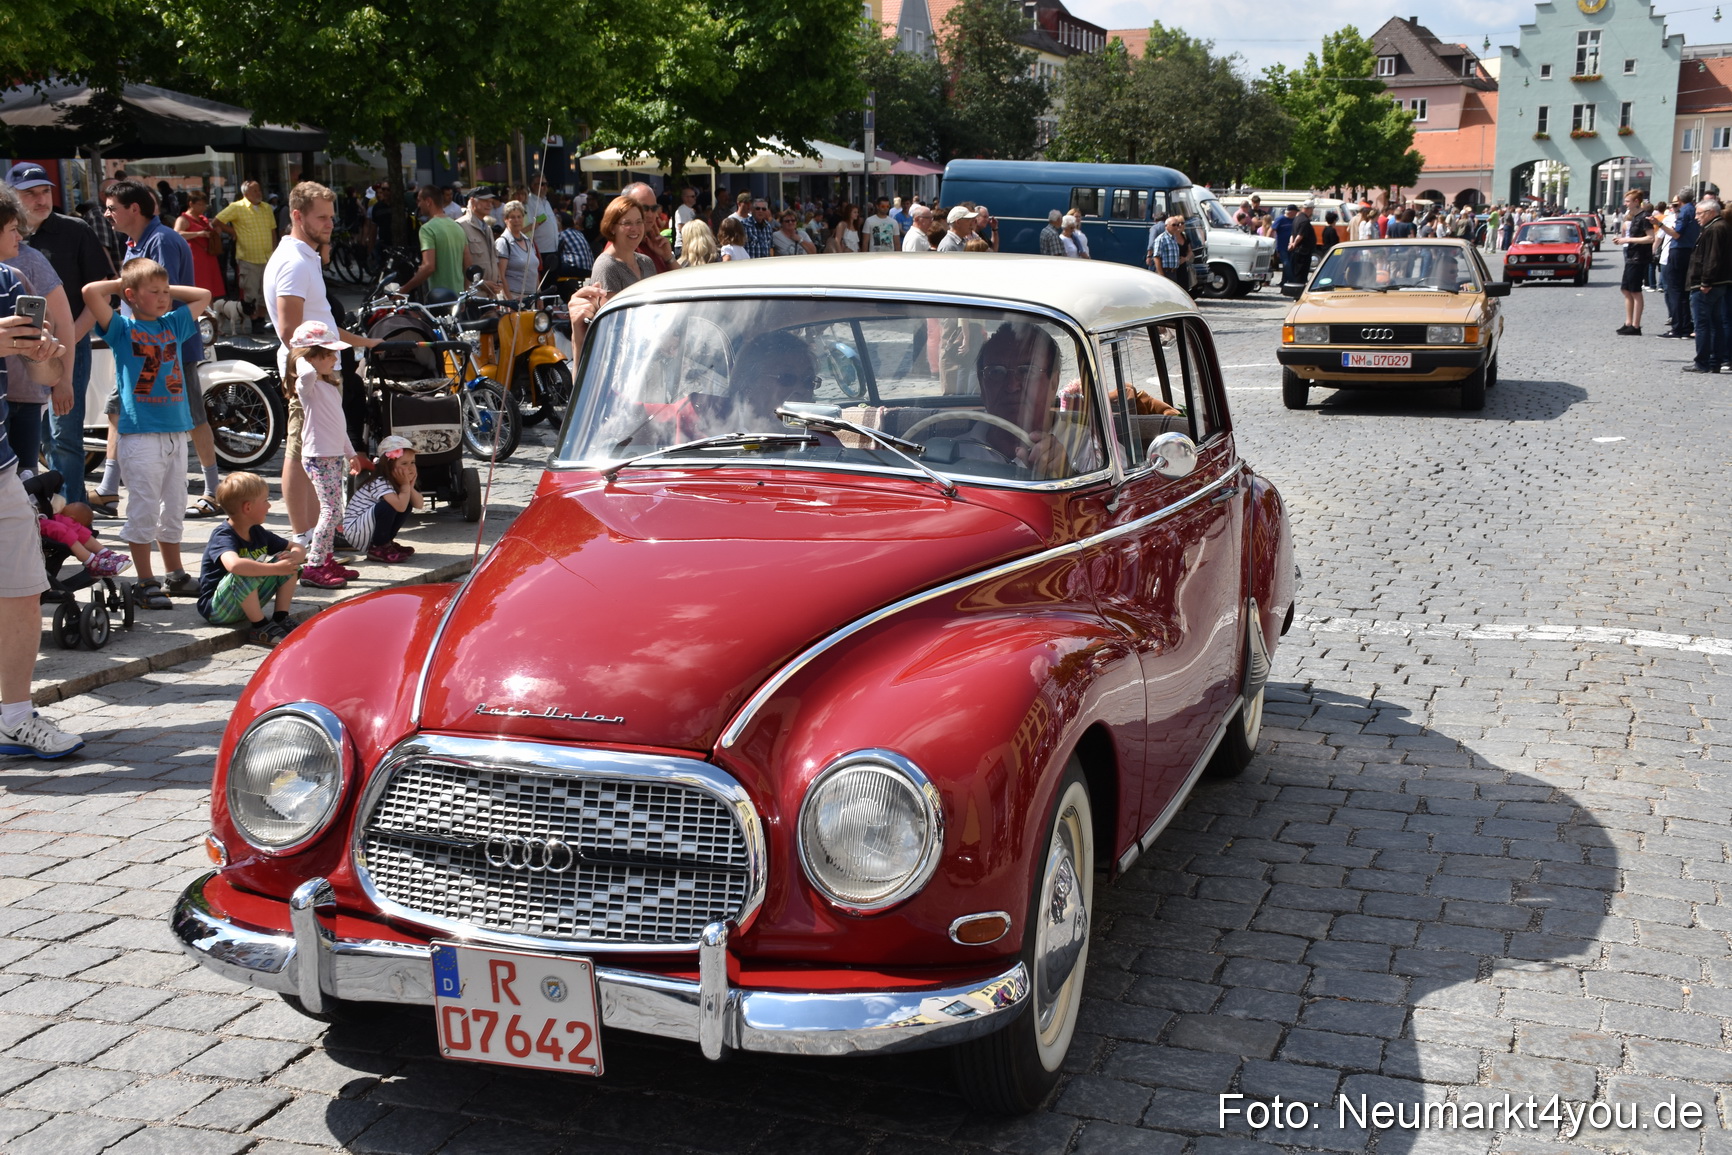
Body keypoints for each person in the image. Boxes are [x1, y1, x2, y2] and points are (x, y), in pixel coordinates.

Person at [80, 259, 212, 610]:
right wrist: (126, 284)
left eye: (166, 291)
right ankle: (144, 580)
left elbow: (203, 295)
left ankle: (175, 573)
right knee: (144, 508)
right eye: (154, 292)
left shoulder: (173, 324)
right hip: (140, 436)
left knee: (175, 507)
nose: (164, 297)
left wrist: (158, 287)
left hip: (175, 434)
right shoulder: (122, 329)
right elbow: (90, 292)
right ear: (131, 295)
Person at [93, 180, 220, 527]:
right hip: (138, 348)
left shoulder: (161, 239)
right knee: (116, 409)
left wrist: (150, 329)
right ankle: (108, 488)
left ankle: (213, 490)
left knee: (193, 415)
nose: (106, 214)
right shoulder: (136, 242)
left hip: (166, 348)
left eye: (112, 208)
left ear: (134, 209)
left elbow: (163, 293)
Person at [264, 181, 382, 542]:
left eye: (331, 217)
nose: (330, 224)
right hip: (309, 375)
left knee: (318, 454)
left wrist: (365, 342)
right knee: (301, 452)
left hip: (320, 371)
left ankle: (320, 533)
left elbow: (320, 322)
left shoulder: (304, 257)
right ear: (297, 216)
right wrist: (317, 374)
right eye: (322, 217)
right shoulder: (294, 262)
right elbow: (290, 331)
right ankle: (303, 535)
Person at [0, 257, 80, 758]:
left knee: (23, 592)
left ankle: (14, 718)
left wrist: (46, 355)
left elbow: (42, 374)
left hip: (2, 467)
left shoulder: (7, 281)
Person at [9, 164, 112, 508]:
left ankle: (72, 514)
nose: (41, 200)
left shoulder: (74, 230)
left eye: (46, 191)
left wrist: (67, 343)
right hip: (17, 357)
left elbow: (99, 292)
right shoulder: (11, 240)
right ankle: (46, 514)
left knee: (64, 435)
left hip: (67, 348)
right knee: (35, 439)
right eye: (31, 194)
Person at [962, 322, 1096, 480]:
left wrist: (1068, 476)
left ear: (1054, 383)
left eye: (1027, 371)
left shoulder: (1090, 450)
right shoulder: (954, 453)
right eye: (996, 372)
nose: (1012, 386)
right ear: (982, 384)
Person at [287, 320, 366, 589]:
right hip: (317, 457)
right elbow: (306, 371)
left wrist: (350, 453)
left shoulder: (330, 387)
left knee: (335, 512)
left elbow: (338, 426)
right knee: (330, 511)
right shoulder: (307, 385)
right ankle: (314, 566)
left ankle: (327, 560)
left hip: (332, 456)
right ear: (311, 357)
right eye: (328, 354)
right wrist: (300, 353)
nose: (335, 359)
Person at [0, 205, 73, 478]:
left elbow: (48, 373)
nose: (20, 237)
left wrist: (43, 355)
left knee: (27, 484)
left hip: (20, 406)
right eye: (12, 229)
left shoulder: (10, 279)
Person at [195, 471, 303, 648]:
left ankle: (281, 618)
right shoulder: (223, 535)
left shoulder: (257, 531)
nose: (269, 505)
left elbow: (297, 547)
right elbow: (234, 565)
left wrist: (295, 556)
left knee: (288, 563)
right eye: (265, 500)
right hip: (217, 609)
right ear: (248, 507)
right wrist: (276, 569)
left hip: (242, 603)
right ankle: (260, 627)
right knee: (244, 569)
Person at [342, 435, 423, 562]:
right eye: (404, 463)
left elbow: (419, 504)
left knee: (407, 502)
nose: (411, 467)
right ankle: (378, 547)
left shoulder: (398, 482)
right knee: (388, 506)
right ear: (389, 466)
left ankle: (387, 543)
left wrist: (410, 487)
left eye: (412, 462)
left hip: (368, 528)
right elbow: (399, 507)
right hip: (356, 530)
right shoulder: (380, 481)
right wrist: (405, 486)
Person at [213, 181, 278, 331]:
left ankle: (261, 319)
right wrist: (232, 232)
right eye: (254, 190)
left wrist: (274, 250)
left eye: (259, 190)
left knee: (266, 291)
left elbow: (272, 230)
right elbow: (217, 221)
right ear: (246, 193)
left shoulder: (266, 208)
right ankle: (254, 322)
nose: (258, 193)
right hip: (249, 258)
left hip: (267, 257)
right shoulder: (237, 207)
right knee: (251, 292)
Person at [1684, 197, 1730, 373]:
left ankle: (1703, 362)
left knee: (1703, 324)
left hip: (1708, 284)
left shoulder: (1715, 228)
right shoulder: (1719, 226)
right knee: (1715, 323)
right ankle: (1714, 361)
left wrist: (1706, 281)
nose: (1696, 217)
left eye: (1699, 213)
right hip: (1717, 283)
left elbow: (1712, 257)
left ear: (1710, 212)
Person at [402, 185, 467, 301]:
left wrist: (403, 290)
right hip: (458, 298)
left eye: (419, 200)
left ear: (428, 201)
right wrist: (464, 297)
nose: (418, 205)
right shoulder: (458, 227)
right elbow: (468, 265)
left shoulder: (427, 229)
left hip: (439, 299)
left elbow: (428, 267)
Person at [39, 496, 129, 577]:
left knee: (68, 523)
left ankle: (106, 553)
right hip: (33, 523)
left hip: (41, 514)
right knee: (58, 528)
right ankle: (92, 563)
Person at [588, 195, 658, 291]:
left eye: (639, 222)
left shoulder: (646, 262)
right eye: (627, 223)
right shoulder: (607, 266)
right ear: (612, 228)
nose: (634, 228)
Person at [1655, 189, 1699, 340]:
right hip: (1689, 250)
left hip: (1679, 250)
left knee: (1675, 290)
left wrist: (1659, 224)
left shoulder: (1684, 211)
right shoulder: (1693, 209)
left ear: (1680, 199)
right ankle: (1685, 326)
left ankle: (1678, 327)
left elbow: (1676, 234)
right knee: (1683, 291)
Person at [1613, 188, 1654, 335]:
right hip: (1631, 256)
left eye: (1628, 201)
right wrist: (1622, 240)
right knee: (1625, 289)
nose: (1625, 204)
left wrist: (1627, 239)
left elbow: (1650, 238)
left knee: (1635, 291)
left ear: (1636, 202)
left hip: (1639, 257)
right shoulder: (1634, 216)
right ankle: (1628, 322)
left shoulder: (1645, 216)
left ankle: (1636, 326)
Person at [174, 190, 227, 300]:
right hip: (195, 259)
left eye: (204, 205)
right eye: (199, 204)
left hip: (208, 256)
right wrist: (198, 234)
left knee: (210, 289)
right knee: (199, 287)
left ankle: (209, 310)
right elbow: (176, 234)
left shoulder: (203, 219)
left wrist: (216, 232)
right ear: (191, 204)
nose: (202, 208)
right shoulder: (183, 219)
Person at [621, 183, 675, 273]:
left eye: (654, 208)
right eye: (644, 208)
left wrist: (668, 257)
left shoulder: (654, 242)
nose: (650, 215)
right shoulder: (620, 248)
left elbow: (682, 279)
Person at [457, 187, 501, 296]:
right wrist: (482, 283)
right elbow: (460, 264)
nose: (489, 204)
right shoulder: (460, 226)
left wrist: (498, 281)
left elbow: (493, 259)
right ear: (472, 201)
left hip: (491, 294)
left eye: (491, 201)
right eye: (485, 200)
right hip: (473, 294)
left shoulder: (488, 228)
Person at [496, 200, 540, 297]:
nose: (516, 220)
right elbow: (500, 275)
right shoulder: (503, 242)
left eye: (519, 216)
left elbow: (534, 271)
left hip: (531, 297)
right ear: (505, 219)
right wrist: (510, 300)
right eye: (512, 217)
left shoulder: (528, 241)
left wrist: (538, 296)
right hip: (514, 296)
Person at [526, 177, 559, 273]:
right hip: (541, 250)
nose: (545, 187)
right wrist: (541, 219)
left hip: (553, 249)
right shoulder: (529, 201)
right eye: (542, 184)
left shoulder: (546, 201)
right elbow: (528, 223)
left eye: (546, 184)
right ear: (533, 186)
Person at [556, 210, 594, 285]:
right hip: (589, 269)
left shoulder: (562, 234)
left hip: (575, 269)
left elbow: (556, 250)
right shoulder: (579, 233)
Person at [1148, 214, 1186, 284]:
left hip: (1174, 273)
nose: (1176, 227)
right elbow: (1156, 258)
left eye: (1177, 225)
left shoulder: (1174, 238)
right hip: (1165, 272)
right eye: (1173, 225)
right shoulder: (1161, 239)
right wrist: (1161, 275)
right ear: (1166, 226)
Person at [1289, 203, 1318, 285]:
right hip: (1303, 251)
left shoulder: (1296, 218)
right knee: (1301, 274)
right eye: (1312, 209)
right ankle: (1298, 289)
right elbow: (1300, 235)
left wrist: (1291, 244)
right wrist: (1294, 244)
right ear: (1308, 209)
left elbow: (1292, 234)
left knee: (1296, 272)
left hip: (1297, 251)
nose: (1312, 211)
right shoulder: (1305, 221)